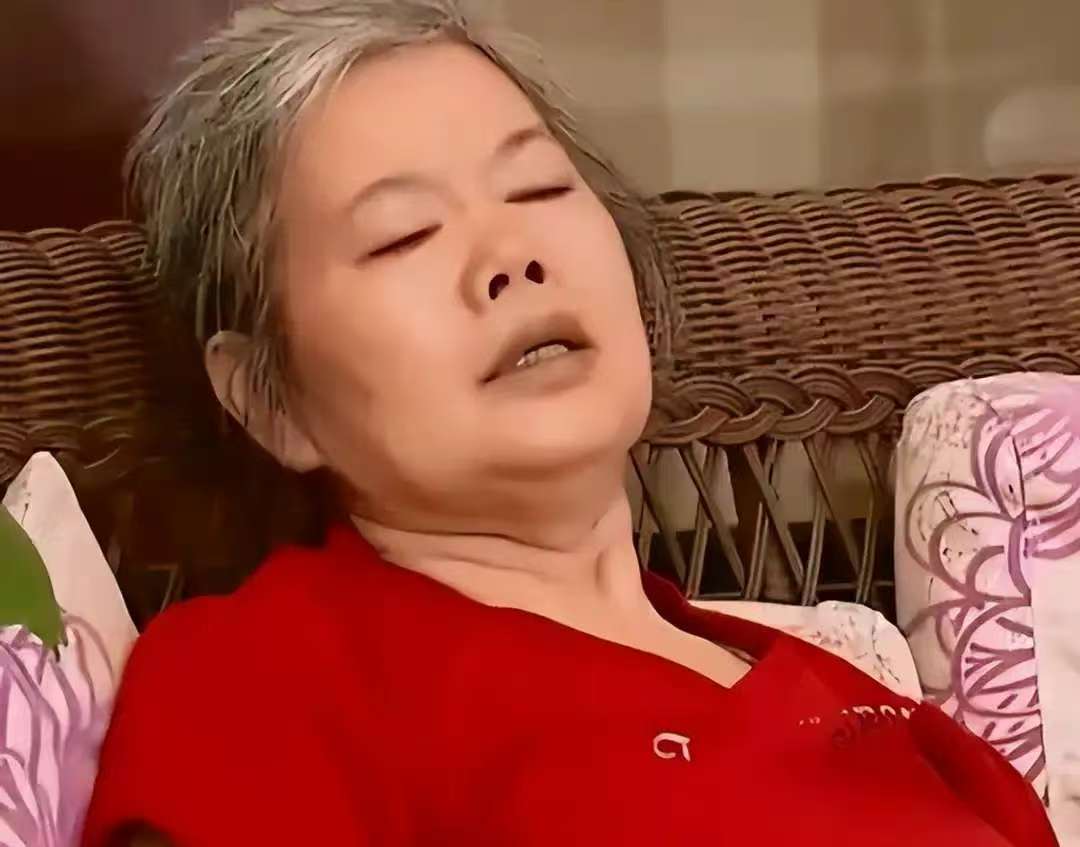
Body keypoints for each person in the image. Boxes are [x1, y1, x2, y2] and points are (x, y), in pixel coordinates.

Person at [82, 2, 1057, 845]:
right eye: (402, 235)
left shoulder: (862, 701)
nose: (512, 256)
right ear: (271, 400)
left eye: (541, 189)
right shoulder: (262, 680)